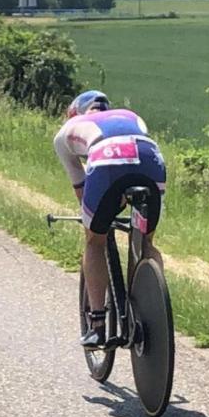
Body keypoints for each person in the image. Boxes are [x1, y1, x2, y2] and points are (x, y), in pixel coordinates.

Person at [53, 90, 166, 349]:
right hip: (150, 157)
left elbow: (82, 195)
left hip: (105, 161)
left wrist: (100, 215)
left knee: (94, 240)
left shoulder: (66, 132)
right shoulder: (130, 115)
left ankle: (97, 325)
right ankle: (155, 307)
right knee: (147, 239)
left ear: (75, 113)